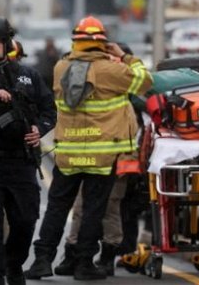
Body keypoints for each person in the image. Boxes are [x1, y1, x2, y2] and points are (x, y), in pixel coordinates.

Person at [24, 15, 152, 281]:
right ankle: (84, 264)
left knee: (57, 208)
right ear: (102, 43)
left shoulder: (61, 67)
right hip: (101, 156)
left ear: (76, 42)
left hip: (68, 154)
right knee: (94, 210)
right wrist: (124, 56)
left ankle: (42, 260)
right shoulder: (110, 70)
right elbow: (144, 81)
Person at [0, 15, 56, 285]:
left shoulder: (27, 75)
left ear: (6, 43)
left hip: (21, 162)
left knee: (26, 220)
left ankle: (14, 263)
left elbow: (49, 110)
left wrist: (38, 130)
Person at [53, 43, 136, 277]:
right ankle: (74, 255)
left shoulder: (124, 98)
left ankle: (106, 257)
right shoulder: (105, 89)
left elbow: (129, 132)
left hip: (116, 163)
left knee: (109, 210)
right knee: (81, 209)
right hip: (96, 160)